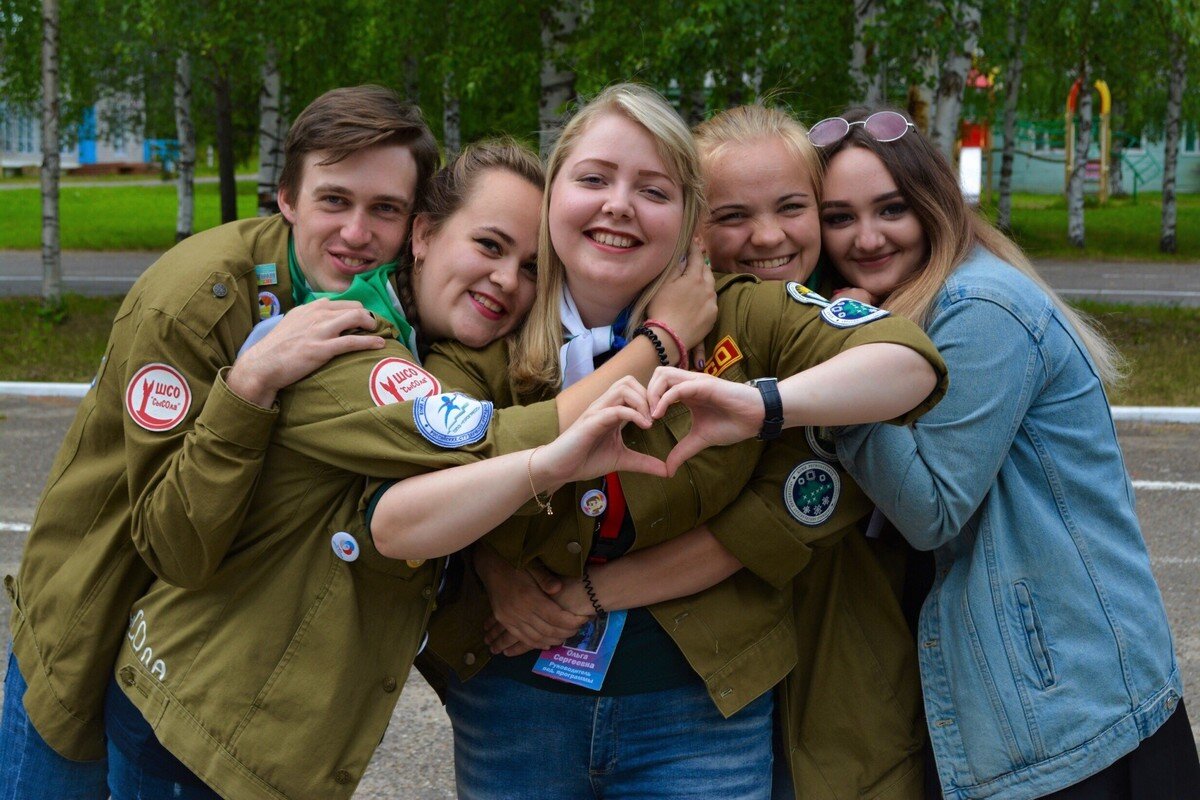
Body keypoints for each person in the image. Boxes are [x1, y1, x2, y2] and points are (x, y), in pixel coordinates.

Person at [377, 84, 948, 800]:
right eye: (593, 180)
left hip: (701, 710)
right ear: (553, 197)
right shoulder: (487, 338)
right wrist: (495, 561)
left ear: (688, 226)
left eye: (653, 189)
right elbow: (417, 509)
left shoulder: (747, 312)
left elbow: (908, 364)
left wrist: (761, 404)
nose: (618, 204)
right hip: (514, 705)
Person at [102, 135, 717, 800]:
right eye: (488, 245)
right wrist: (663, 341)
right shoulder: (355, 336)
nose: (508, 279)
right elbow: (493, 443)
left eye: (534, 267)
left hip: (244, 731)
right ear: (423, 235)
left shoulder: (434, 343)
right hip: (198, 729)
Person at [643, 107, 1200, 800]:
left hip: (1071, 718)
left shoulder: (981, 307)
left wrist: (835, 380)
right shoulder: (881, 308)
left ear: (934, 205)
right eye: (840, 216)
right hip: (1010, 709)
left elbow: (930, 509)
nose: (867, 237)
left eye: (892, 209)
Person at [0, 84, 438, 800]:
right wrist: (249, 385)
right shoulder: (193, 299)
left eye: (384, 209)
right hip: (92, 617)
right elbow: (172, 543)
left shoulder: (389, 300)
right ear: (286, 199)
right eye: (334, 200)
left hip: (194, 657)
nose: (359, 232)